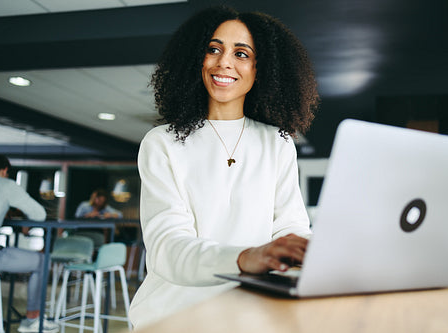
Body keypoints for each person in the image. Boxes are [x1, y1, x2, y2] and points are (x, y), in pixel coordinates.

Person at [129, 6, 319, 329]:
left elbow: (292, 229)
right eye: (213, 49)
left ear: (261, 69)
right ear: (196, 58)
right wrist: (246, 258)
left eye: (241, 53)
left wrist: (311, 253)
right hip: (171, 319)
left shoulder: (279, 143)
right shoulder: (161, 143)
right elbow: (167, 248)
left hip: (248, 316)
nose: (224, 62)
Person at [0, 154, 59, 333]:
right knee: (41, 261)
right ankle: (32, 319)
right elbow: (39, 214)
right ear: (5, 170)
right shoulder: (5, 185)